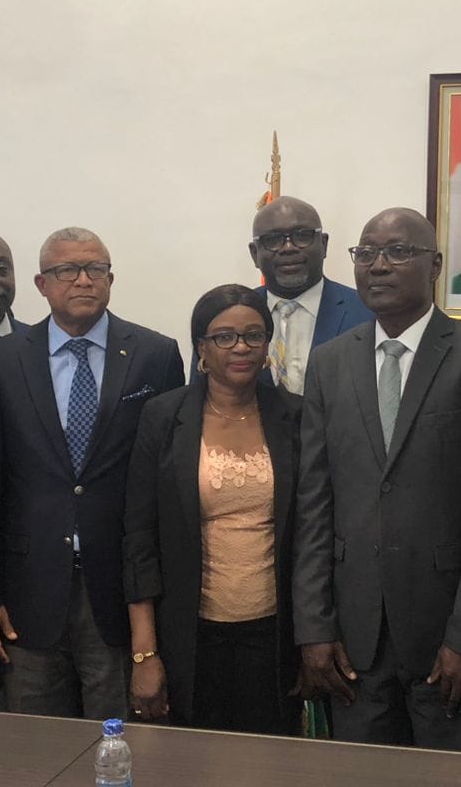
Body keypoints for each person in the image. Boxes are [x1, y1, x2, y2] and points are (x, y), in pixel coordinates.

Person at [293, 207, 461, 751]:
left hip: (450, 641)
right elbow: (313, 505)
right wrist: (314, 628)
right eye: (366, 253)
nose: (378, 265)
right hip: (353, 645)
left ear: (435, 265)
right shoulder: (330, 363)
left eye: (399, 252)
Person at [0, 227, 184, 719]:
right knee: (33, 742)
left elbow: (165, 484)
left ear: (111, 279)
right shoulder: (1, 359)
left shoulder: (155, 355)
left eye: (96, 269)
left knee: (117, 738)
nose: (83, 280)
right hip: (27, 589)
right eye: (67, 270)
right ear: (41, 284)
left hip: (118, 590)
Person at [124, 285, 302, 734]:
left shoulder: (296, 416)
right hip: (188, 633)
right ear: (201, 348)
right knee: (192, 759)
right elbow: (139, 538)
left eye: (253, 335)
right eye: (224, 337)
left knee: (270, 759)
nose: (241, 347)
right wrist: (144, 653)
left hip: (276, 636)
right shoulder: (164, 417)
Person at [246, 197, 372, 393]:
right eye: (273, 240)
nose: (288, 248)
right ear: (255, 254)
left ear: (324, 244)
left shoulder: (367, 313)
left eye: (302, 236)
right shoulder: (233, 315)